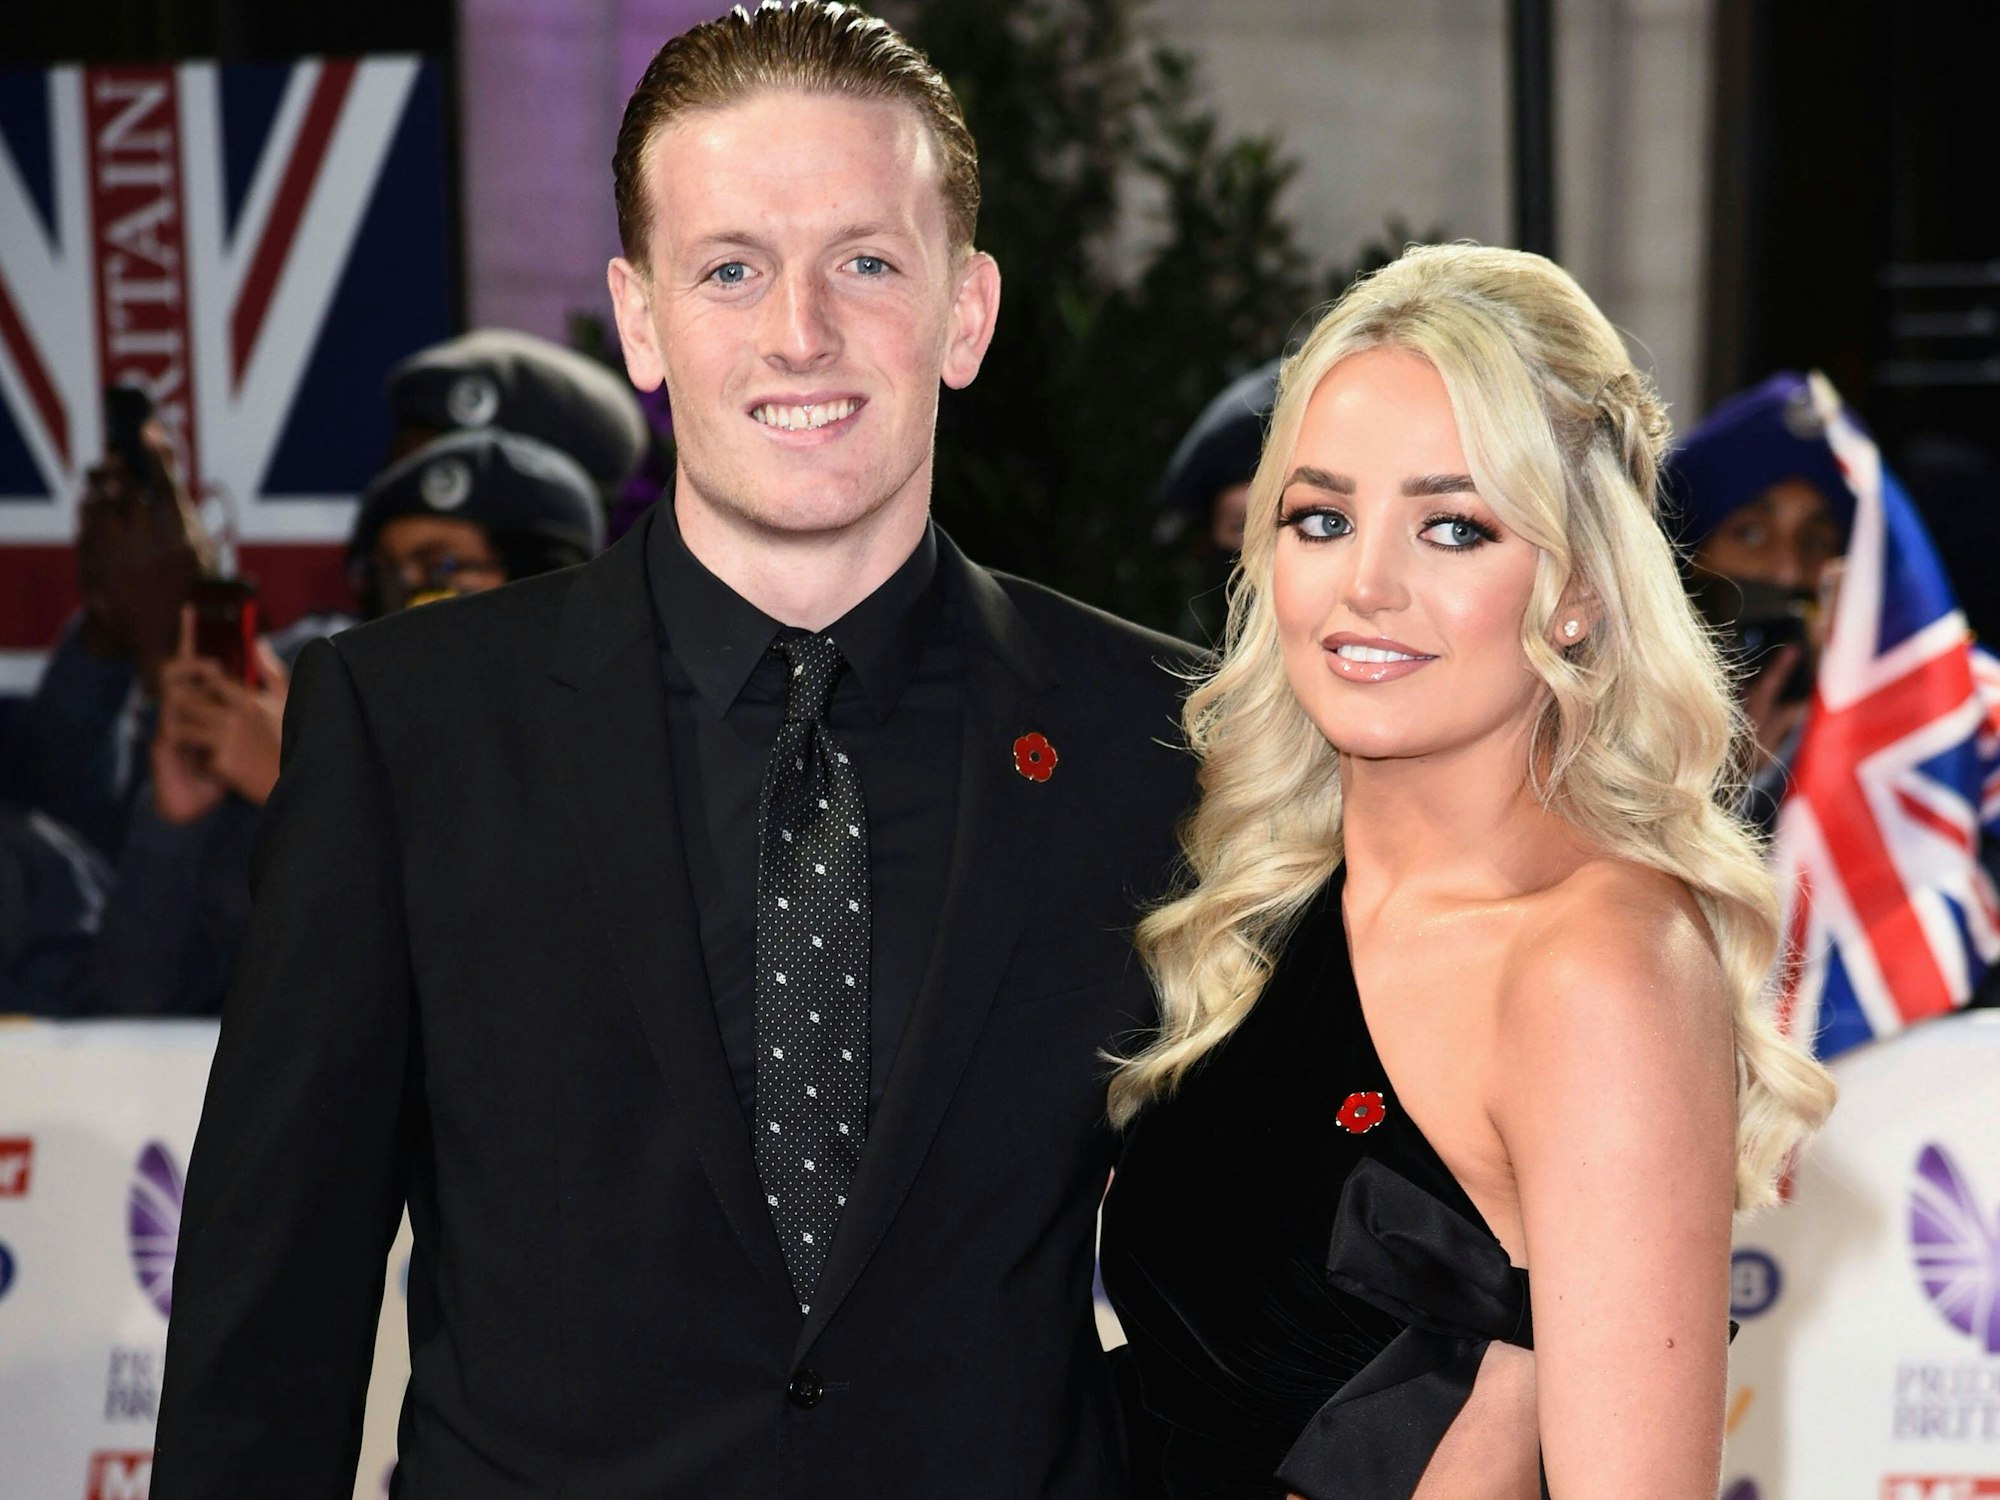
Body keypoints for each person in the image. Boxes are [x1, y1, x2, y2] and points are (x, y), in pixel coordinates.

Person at [151, 5, 1195, 1498]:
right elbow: (272, 1315)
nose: (799, 333)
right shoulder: (413, 731)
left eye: (866, 262)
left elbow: (1243, 1285)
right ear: (639, 320)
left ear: (966, 313)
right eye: (730, 269)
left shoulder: (1153, 738)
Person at [1098, 244, 1836, 1499]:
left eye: (1452, 526)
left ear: (1578, 590)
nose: (1364, 585)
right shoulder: (1266, 904)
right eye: (1318, 518)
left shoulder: (1594, 964)